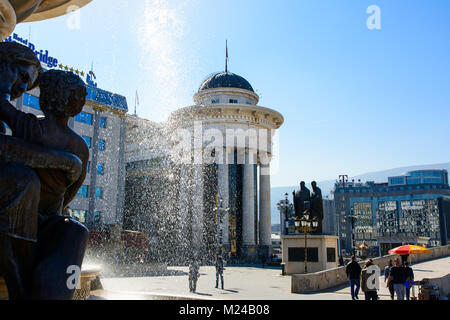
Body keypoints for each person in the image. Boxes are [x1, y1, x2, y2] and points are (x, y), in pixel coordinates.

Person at [0, 68, 90, 300]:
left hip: (37, 219)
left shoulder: (31, 127)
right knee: (76, 231)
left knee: (75, 231)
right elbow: (71, 192)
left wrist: (7, 83)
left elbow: (3, 108)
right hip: (42, 218)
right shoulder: (79, 147)